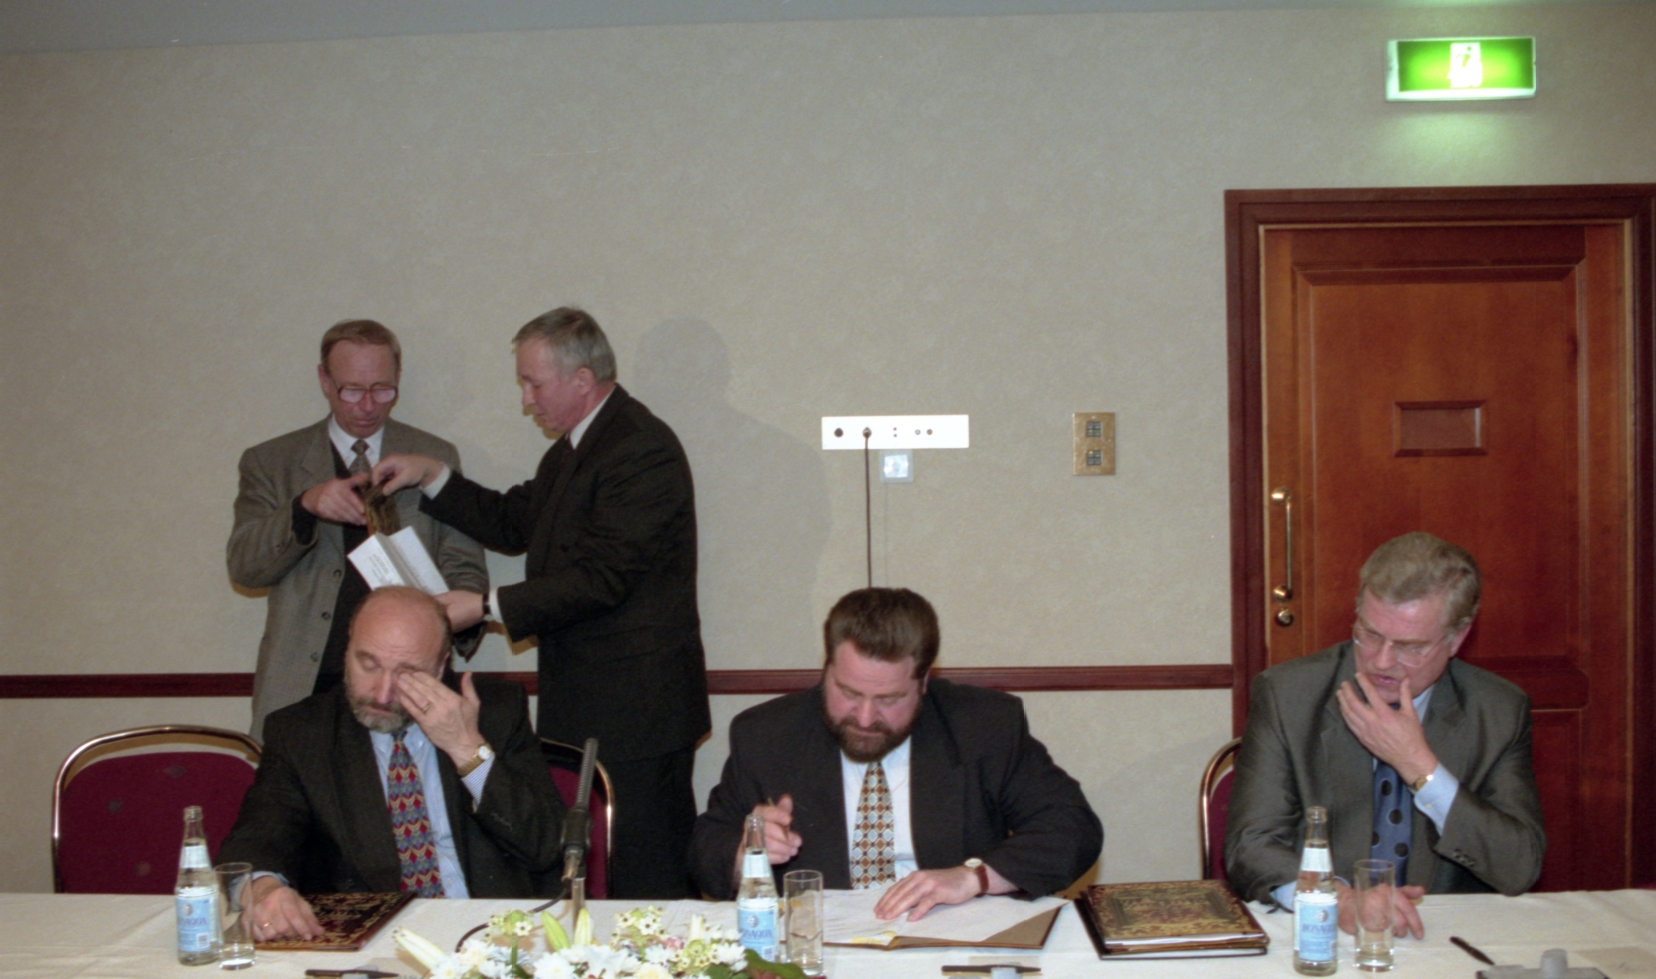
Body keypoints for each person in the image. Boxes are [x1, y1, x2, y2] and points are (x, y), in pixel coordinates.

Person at [373, 307, 708, 899]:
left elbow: (604, 577)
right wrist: (432, 475)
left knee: (642, 878)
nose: (526, 401)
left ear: (582, 379)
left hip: (638, 715)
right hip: (594, 705)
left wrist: (484, 605)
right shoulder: (577, 448)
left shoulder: (639, 448)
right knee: (592, 877)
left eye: (534, 384)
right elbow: (512, 521)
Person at [687, 588, 1102, 921]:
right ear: (826, 670)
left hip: (947, 937)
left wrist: (973, 877)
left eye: (889, 699)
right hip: (819, 945)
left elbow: (1073, 828)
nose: (865, 717)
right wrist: (745, 851)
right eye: (849, 693)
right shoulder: (767, 734)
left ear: (924, 683)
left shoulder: (984, 726)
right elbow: (704, 851)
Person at [1226, 532, 1545, 939]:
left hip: (1441, 935)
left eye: (1410, 647)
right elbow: (1251, 846)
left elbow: (1519, 867)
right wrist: (1338, 899)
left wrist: (1420, 766)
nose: (1381, 661)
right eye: (1371, 634)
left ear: (1457, 639)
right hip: (1326, 931)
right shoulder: (1289, 696)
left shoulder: (1497, 711)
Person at [218, 587, 565, 941]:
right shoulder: (302, 733)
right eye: (368, 665)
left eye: (407, 673)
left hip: (490, 930)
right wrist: (263, 889)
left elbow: (548, 848)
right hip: (372, 936)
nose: (382, 694)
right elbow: (257, 837)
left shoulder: (494, 710)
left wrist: (466, 749)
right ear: (347, 650)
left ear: (441, 665)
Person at [227, 319, 488, 741]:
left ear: (398, 378)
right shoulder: (270, 461)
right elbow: (244, 568)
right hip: (301, 685)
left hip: (406, 687)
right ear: (324, 380)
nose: (368, 406)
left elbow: (465, 568)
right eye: (351, 390)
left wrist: (453, 620)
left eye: (383, 390)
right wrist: (304, 508)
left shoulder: (435, 455)